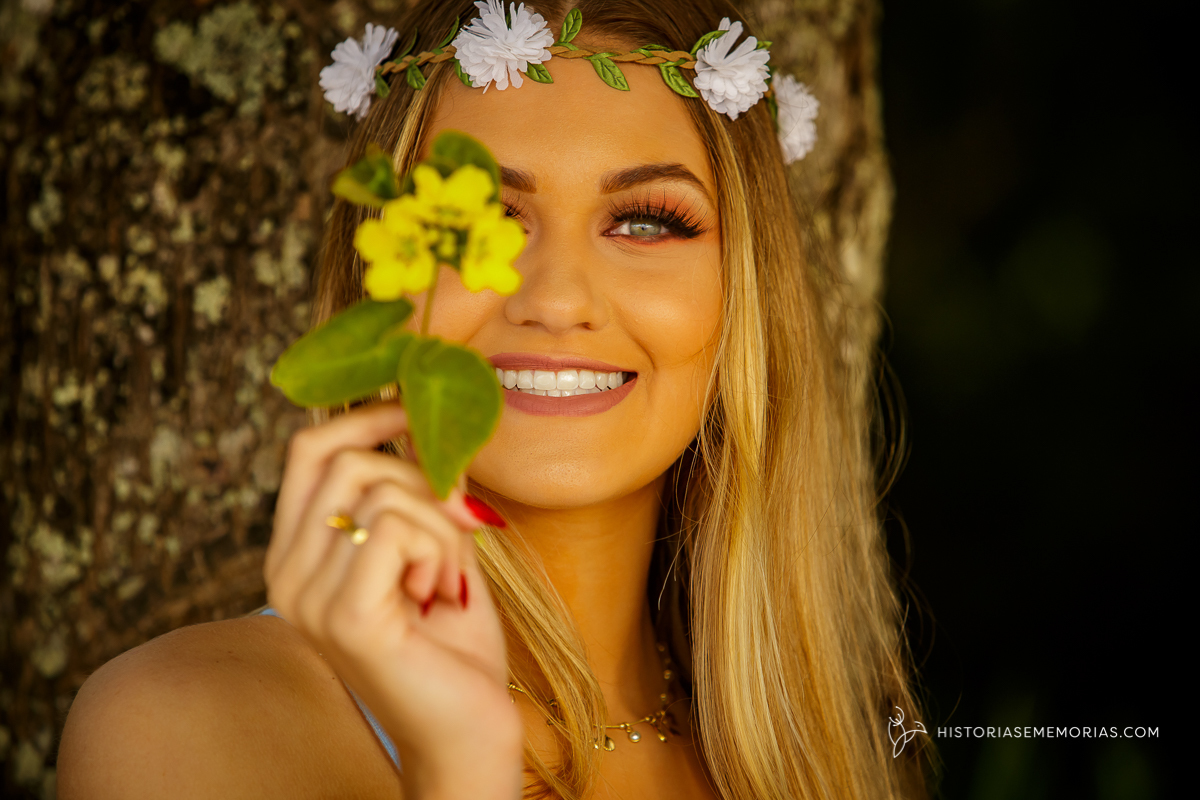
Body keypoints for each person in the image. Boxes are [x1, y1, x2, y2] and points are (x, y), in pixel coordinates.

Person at [56, 1, 929, 798]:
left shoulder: (827, 752)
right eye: (486, 221)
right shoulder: (187, 724)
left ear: (747, 294)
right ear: (378, 281)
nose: (554, 299)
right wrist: (460, 770)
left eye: (646, 222)